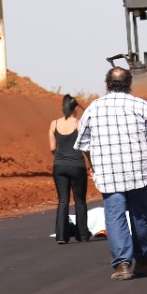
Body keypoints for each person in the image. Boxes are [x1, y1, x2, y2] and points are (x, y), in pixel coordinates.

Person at [74, 66, 147, 281]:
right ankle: (143, 261)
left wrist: (92, 166)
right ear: (129, 84)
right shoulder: (142, 106)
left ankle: (123, 264)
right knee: (139, 214)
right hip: (137, 170)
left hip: (108, 172)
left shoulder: (93, 108)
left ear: (107, 84)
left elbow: (84, 144)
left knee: (115, 216)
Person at [48, 94, 92, 245]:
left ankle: (61, 235)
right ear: (74, 109)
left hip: (59, 166)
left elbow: (52, 148)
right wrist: (91, 164)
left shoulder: (54, 124)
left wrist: (61, 156)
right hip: (77, 166)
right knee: (80, 201)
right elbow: (86, 148)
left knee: (63, 201)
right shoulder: (78, 124)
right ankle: (83, 235)